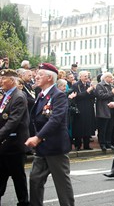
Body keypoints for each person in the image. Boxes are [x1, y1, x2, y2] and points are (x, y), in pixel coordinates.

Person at [25, 63, 74, 206]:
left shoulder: (58, 96)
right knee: (35, 179)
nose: (36, 76)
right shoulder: (41, 95)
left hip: (55, 147)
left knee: (62, 184)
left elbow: (55, 120)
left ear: (49, 78)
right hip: (42, 147)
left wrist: (37, 137)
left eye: (40, 74)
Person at [0, 69, 30, 206]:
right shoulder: (5, 96)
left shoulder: (18, 97)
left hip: (14, 145)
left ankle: (23, 203)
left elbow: (13, 122)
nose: (1, 81)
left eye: (3, 79)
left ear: (12, 81)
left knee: (18, 178)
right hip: (4, 145)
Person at [71, 71, 95, 151]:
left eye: (87, 76)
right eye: (85, 76)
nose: (86, 77)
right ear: (80, 77)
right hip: (80, 108)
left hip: (88, 108)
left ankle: (86, 145)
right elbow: (76, 96)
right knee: (79, 127)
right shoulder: (75, 85)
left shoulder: (88, 85)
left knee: (88, 126)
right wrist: (87, 92)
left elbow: (93, 96)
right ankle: (78, 145)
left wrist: (92, 90)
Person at [95, 72, 114, 151]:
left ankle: (108, 143)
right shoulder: (99, 85)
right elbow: (101, 96)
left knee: (110, 128)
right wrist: (112, 92)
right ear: (106, 78)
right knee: (103, 128)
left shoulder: (111, 85)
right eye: (111, 78)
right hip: (103, 109)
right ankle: (102, 144)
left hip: (111, 109)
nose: (112, 80)